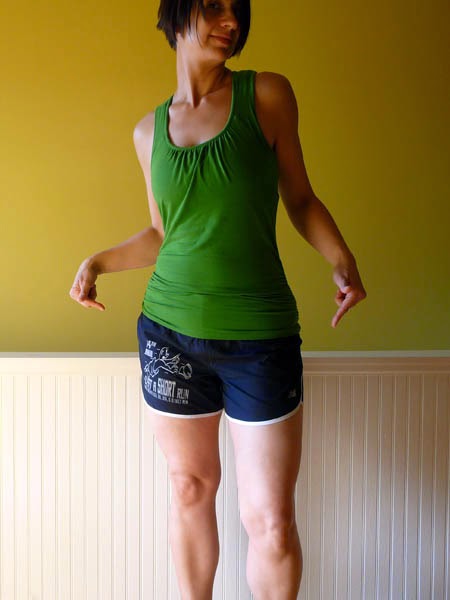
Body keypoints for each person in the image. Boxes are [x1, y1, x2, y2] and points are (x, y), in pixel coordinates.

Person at [70, 1, 366, 598]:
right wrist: (97, 262)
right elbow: (163, 233)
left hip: (260, 338)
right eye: (214, 6)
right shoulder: (148, 132)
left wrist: (341, 260)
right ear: (177, 13)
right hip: (169, 334)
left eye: (238, 10)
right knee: (189, 488)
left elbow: (300, 199)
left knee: (272, 521)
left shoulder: (267, 96)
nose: (230, 21)